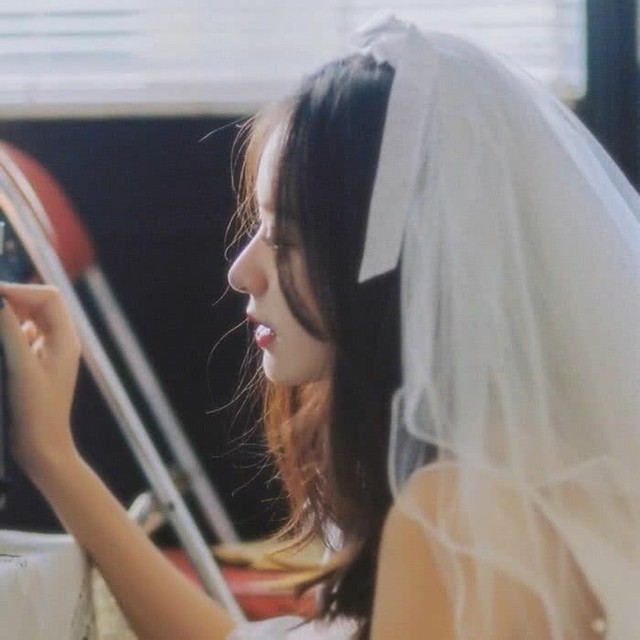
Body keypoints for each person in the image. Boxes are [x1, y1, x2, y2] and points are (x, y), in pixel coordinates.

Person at [0, 13, 638, 639]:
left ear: (393, 263)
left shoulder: (452, 516)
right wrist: (53, 456)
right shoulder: (528, 470)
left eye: (284, 238)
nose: (242, 272)